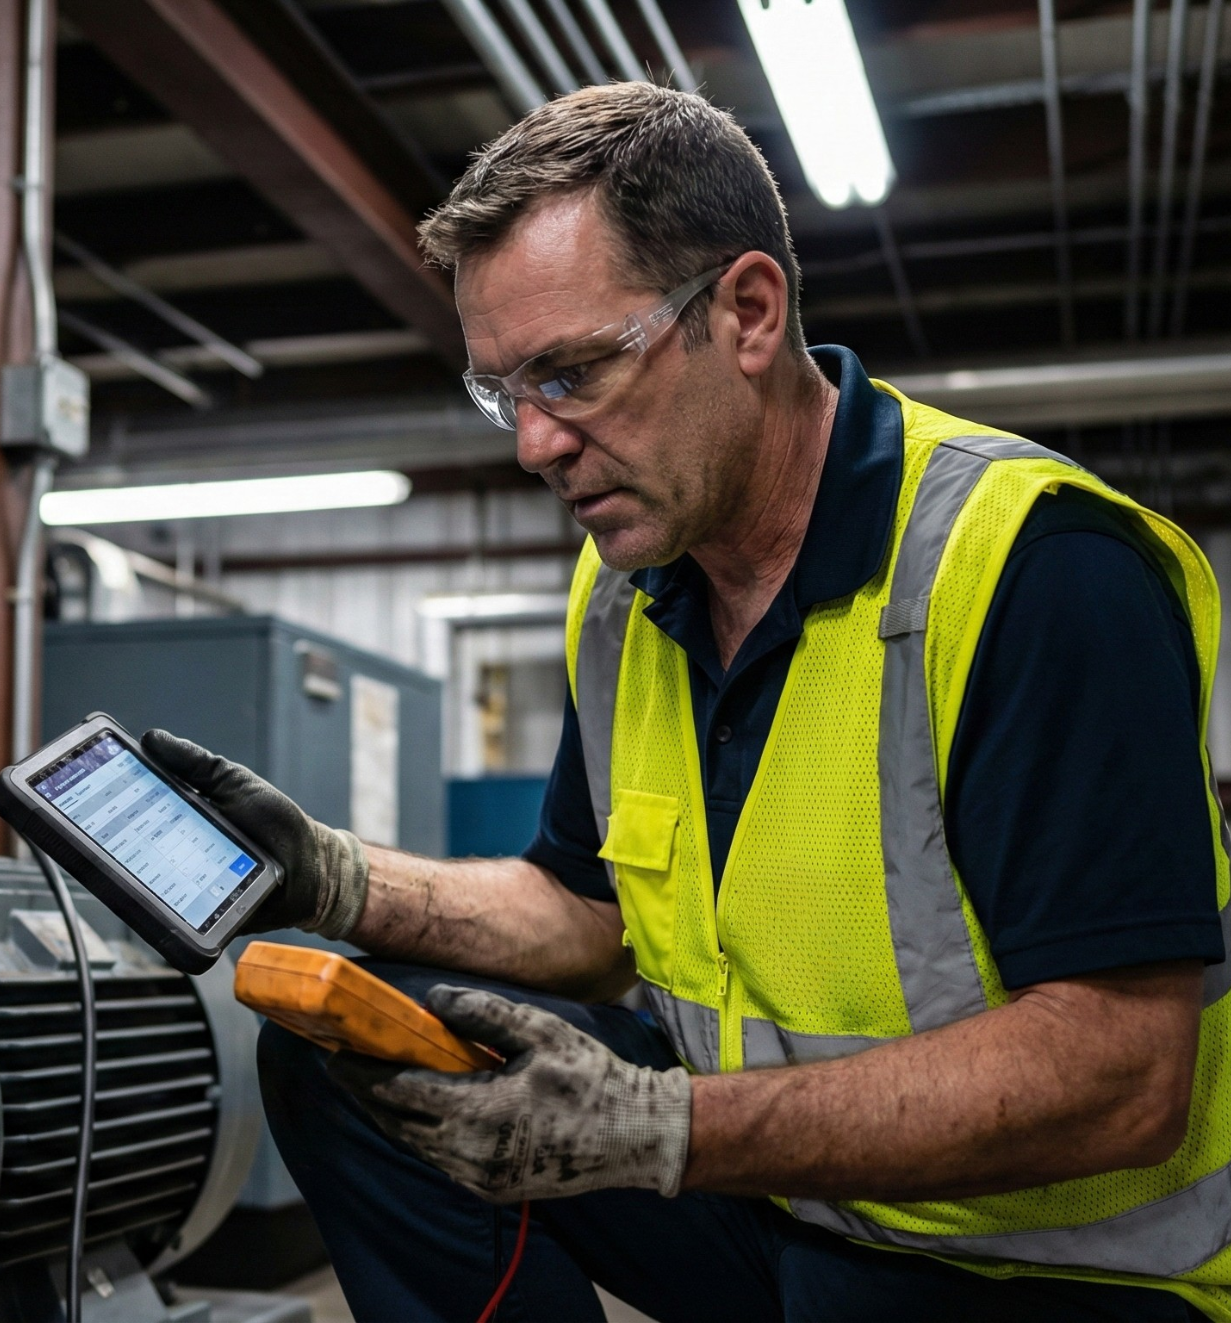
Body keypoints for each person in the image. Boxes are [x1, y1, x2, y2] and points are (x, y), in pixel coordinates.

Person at [141, 82, 1231, 1322]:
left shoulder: (1036, 568)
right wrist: (332, 879)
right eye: (506, 391)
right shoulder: (630, 596)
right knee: (355, 1058)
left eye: (573, 373)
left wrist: (659, 1128)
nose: (535, 446)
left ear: (748, 313)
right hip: (780, 1198)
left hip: (1042, 1268)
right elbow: (586, 914)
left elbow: (1120, 1072)